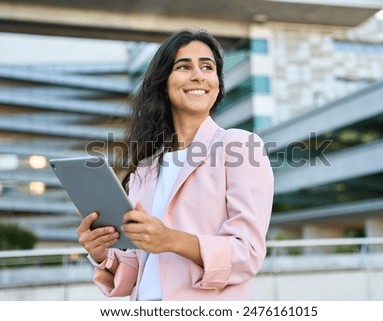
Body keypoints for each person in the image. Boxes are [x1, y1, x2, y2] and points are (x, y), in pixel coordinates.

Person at [76, 28, 274, 300]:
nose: (198, 75)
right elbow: (139, 266)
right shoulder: (144, 168)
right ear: (164, 83)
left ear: (217, 83)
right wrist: (101, 254)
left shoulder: (240, 146)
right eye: (184, 66)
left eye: (207, 67)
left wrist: (172, 240)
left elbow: (247, 252)